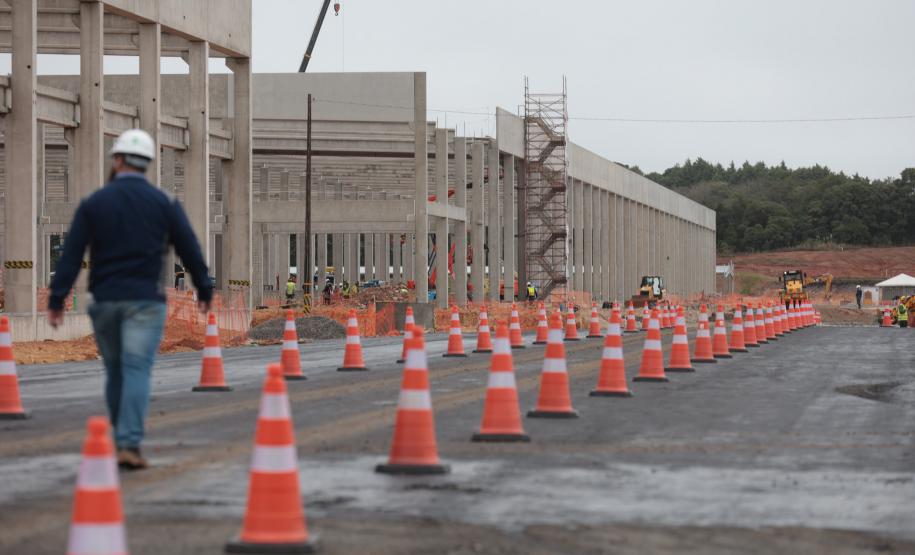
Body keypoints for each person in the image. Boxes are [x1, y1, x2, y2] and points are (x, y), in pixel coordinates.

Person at [47, 129, 212, 470]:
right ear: (147, 163)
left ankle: (120, 434)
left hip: (105, 302)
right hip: (145, 302)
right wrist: (205, 290)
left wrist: (57, 299)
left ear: (117, 159)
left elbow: (71, 254)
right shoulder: (164, 203)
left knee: (115, 371)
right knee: (136, 368)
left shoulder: (94, 203)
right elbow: (190, 249)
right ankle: (128, 442)